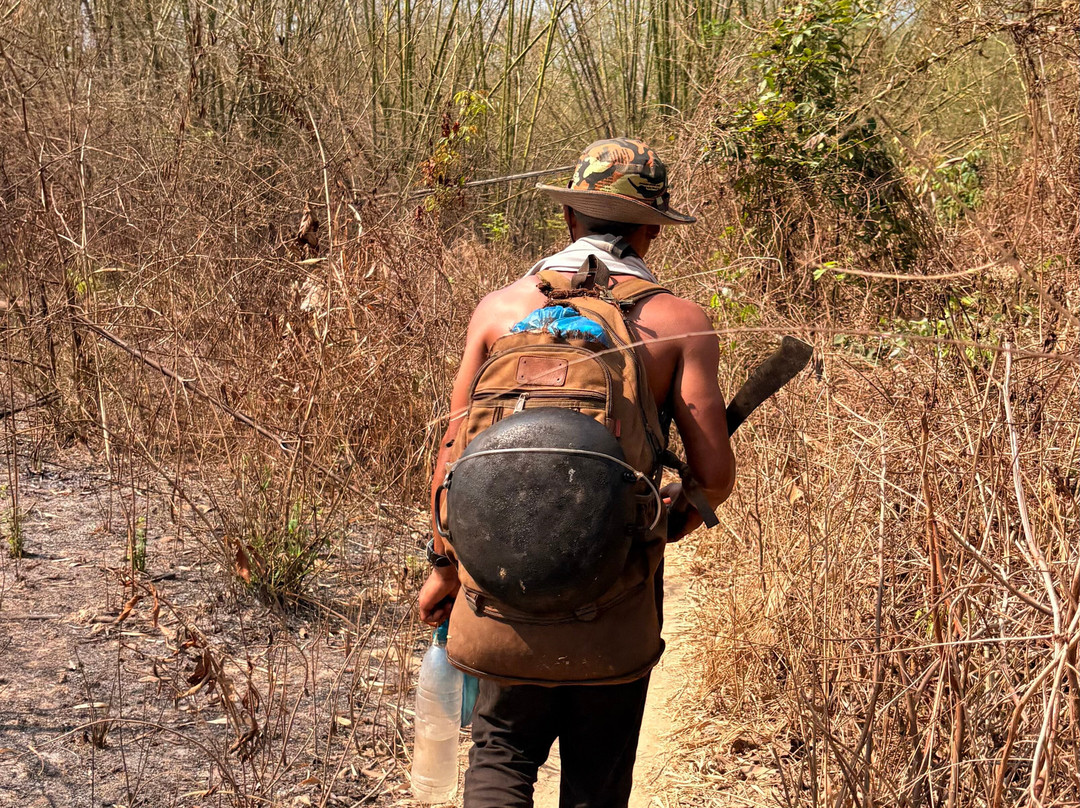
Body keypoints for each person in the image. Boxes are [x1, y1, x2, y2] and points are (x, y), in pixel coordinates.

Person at [417, 138, 737, 808]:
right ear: (652, 231)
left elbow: (452, 456)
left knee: (500, 761)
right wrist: (659, 524)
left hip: (498, 594)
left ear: (569, 219)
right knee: (596, 780)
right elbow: (713, 474)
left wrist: (444, 566)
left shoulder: (499, 311)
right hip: (616, 599)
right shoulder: (679, 323)